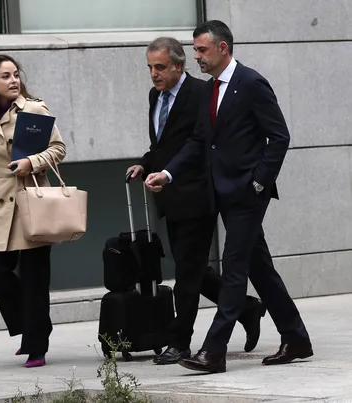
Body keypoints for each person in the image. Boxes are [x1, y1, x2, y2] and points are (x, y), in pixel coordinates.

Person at [145, 21, 312, 373]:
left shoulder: (251, 83)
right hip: (220, 191)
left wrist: (259, 183)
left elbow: (279, 137)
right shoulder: (209, 90)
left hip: (248, 194)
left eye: (201, 50)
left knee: (234, 268)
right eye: (195, 50)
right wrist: (168, 173)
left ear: (222, 48)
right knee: (259, 269)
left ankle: (213, 351)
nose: (196, 57)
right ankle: (296, 337)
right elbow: (198, 141)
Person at [126, 37, 265, 366]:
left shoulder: (202, 93)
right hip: (168, 193)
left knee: (187, 274)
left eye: (160, 67)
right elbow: (164, 143)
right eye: (150, 67)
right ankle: (247, 308)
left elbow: (200, 142)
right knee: (192, 269)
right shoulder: (156, 96)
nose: (154, 74)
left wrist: (170, 173)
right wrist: (146, 163)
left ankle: (180, 342)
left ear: (178, 65)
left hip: (197, 193)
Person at [0, 54, 66, 368]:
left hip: (32, 198)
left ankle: (36, 346)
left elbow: (58, 149)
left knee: (35, 277)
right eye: (5, 76)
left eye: (15, 75)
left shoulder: (33, 109)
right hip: (0, 203)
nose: (14, 81)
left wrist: (31, 162)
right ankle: (33, 324)